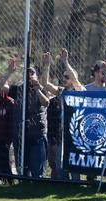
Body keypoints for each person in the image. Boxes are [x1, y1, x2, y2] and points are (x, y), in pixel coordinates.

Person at [0, 61, 49, 178]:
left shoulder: (41, 89)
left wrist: (37, 89)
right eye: (27, 73)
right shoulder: (18, 89)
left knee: (37, 170)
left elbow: (46, 102)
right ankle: (23, 186)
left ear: (36, 76)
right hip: (21, 134)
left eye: (32, 73)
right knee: (23, 171)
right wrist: (9, 72)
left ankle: (35, 188)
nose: (29, 76)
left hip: (37, 134)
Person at [41, 49, 85, 180]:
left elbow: (76, 81)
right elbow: (45, 83)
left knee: (75, 169)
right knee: (60, 167)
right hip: (62, 135)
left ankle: (75, 187)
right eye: (63, 76)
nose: (63, 79)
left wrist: (65, 62)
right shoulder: (61, 91)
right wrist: (46, 66)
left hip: (76, 136)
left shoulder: (79, 90)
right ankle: (63, 187)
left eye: (67, 77)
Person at [0, 60, 15, 183]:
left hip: (4, 141)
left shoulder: (10, 102)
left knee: (6, 166)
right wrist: (9, 71)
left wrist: (8, 141)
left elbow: (12, 124)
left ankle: (8, 184)